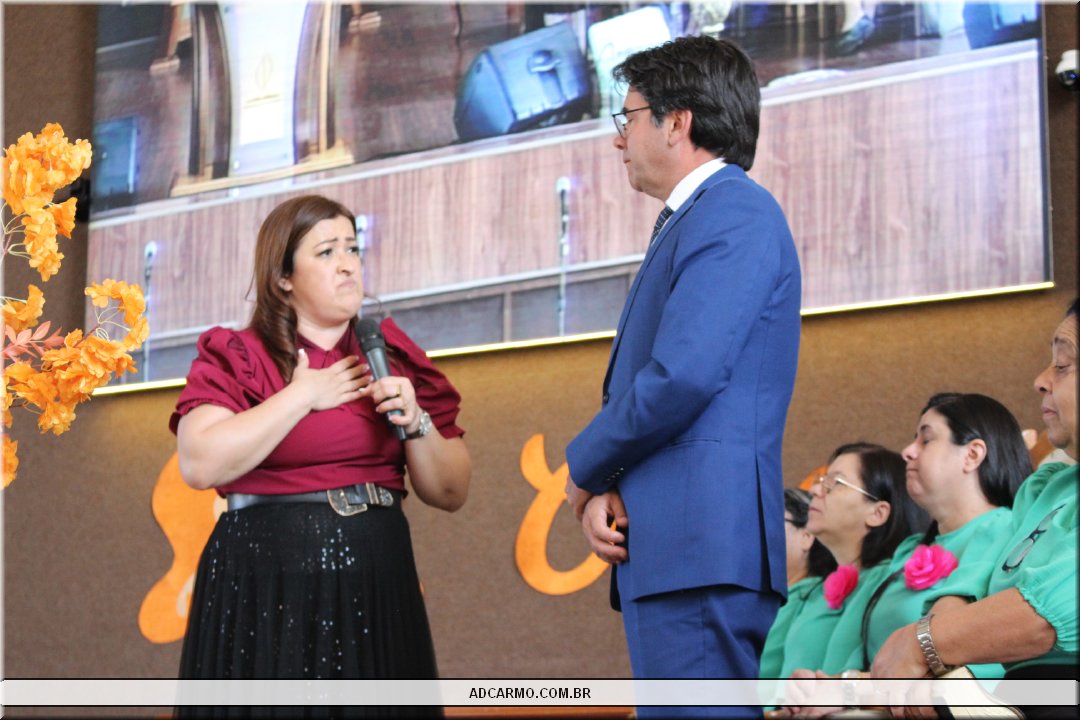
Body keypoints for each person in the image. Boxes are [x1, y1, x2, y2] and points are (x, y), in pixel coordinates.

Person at [563, 34, 802, 717]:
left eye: (629, 117)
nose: (619, 139)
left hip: (699, 544)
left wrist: (583, 470)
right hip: (679, 545)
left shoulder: (731, 211)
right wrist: (611, 482)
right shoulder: (700, 216)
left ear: (677, 122)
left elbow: (683, 376)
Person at [170, 195, 470, 713]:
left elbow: (451, 491)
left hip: (377, 575)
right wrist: (302, 395)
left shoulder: (392, 355)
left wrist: (417, 420)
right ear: (283, 277)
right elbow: (199, 463)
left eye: (353, 248)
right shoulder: (240, 354)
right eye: (327, 252)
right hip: (266, 582)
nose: (348, 264)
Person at [872, 299, 1079, 719]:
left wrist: (922, 644)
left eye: (1062, 364)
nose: (1041, 380)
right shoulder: (1045, 489)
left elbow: (1053, 609)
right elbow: (972, 585)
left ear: (974, 455)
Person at [772, 443, 925, 683]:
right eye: (822, 481)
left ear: (877, 513)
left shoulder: (890, 583)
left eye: (835, 483)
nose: (814, 490)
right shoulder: (820, 591)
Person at [759, 488, 837, 679]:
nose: (757, 531)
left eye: (771, 521)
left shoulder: (819, 598)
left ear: (806, 537)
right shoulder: (764, 597)